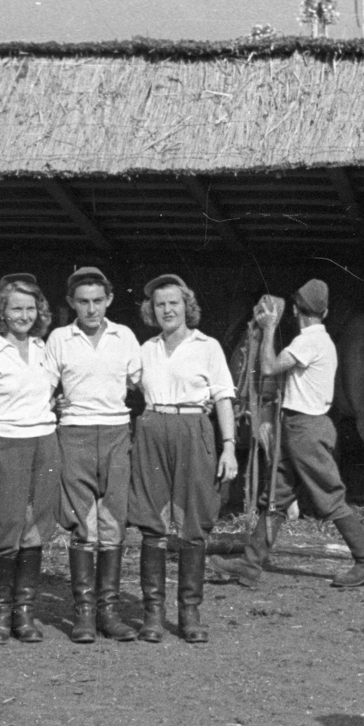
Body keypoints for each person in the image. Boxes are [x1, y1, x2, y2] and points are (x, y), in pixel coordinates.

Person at [212, 279, 364, 589]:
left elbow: (267, 368)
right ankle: (250, 564)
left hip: (304, 428)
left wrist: (267, 330)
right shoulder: (325, 342)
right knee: (274, 499)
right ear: (326, 311)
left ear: (294, 310)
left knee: (330, 497)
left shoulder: (306, 342)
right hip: (299, 426)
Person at [128, 274, 237, 644]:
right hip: (153, 426)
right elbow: (119, 383)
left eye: (174, 302)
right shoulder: (145, 349)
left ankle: (189, 613)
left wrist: (229, 446)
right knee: (152, 522)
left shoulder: (208, 346)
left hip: (193, 429)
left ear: (186, 305)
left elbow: (222, 397)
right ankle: (153, 615)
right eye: (160, 304)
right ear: (151, 310)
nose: (167, 310)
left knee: (194, 521)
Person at [46, 266, 142, 644]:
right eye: (83, 302)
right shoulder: (59, 338)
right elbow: (44, 385)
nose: (91, 309)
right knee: (83, 525)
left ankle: (110, 613)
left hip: (117, 432)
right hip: (75, 434)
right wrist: (54, 402)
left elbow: (143, 381)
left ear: (109, 300)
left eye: (97, 301)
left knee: (113, 523)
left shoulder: (125, 336)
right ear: (71, 303)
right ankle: (84, 614)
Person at [0, 274, 60, 645]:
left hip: (45, 443)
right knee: (8, 528)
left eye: (30, 308)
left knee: (35, 527)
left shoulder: (43, 349)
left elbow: (52, 394)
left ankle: (25, 613)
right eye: (15, 308)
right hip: (4, 444)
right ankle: (0, 615)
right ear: (1, 312)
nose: (23, 315)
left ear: (39, 312)